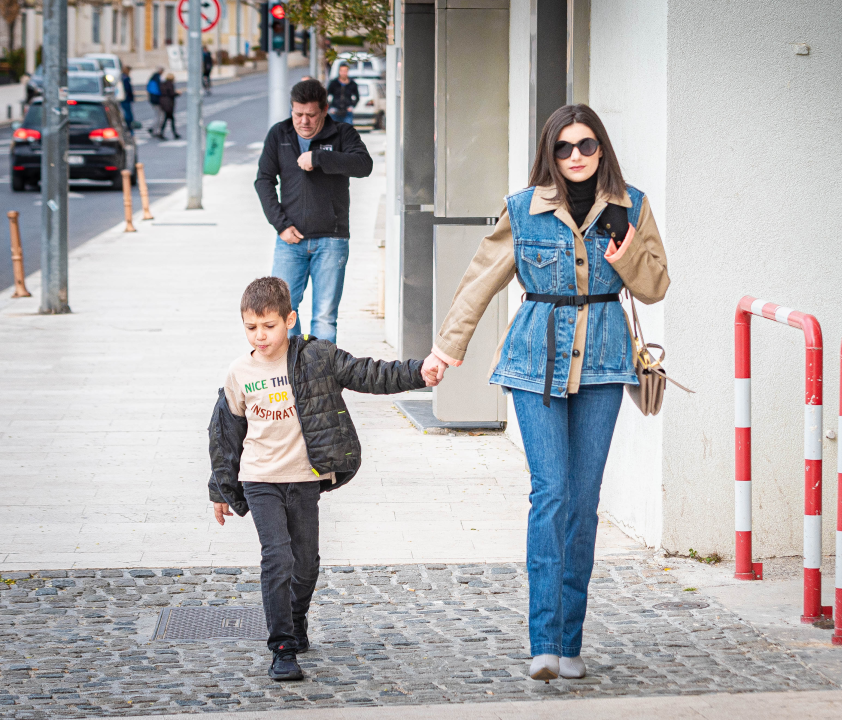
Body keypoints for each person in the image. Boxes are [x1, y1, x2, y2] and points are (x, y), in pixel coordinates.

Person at [420, 104, 670, 681]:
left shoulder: (631, 205)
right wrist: (445, 350)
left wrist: (626, 251)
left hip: (605, 364)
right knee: (551, 493)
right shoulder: (523, 209)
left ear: (601, 148)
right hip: (535, 363)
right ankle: (543, 644)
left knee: (583, 503)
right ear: (549, 153)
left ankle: (570, 641)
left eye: (585, 145)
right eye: (564, 148)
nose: (575, 156)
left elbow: (656, 286)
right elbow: (478, 282)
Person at [209, 276, 429, 681]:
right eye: (251, 327)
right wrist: (221, 488)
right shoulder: (238, 372)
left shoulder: (317, 357)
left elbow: (369, 373)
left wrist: (420, 372)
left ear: (289, 319)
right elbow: (226, 434)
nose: (260, 336)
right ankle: (282, 647)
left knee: (305, 563)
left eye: (269, 326)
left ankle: (295, 618)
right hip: (260, 479)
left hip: (303, 478)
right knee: (278, 557)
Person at [255, 79, 373, 344]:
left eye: (311, 115)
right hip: (290, 241)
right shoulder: (279, 134)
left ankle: (320, 380)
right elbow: (263, 181)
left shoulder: (342, 133)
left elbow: (364, 165)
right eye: (298, 114)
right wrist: (281, 224)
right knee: (282, 314)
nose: (304, 121)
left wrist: (319, 158)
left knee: (324, 317)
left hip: (332, 240)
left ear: (324, 110)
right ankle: (292, 376)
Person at [157, 73, 180, 139]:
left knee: (168, 119)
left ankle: (173, 133)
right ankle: (171, 133)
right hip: (168, 104)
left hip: (163, 103)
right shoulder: (170, 84)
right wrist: (178, 93)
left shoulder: (163, 84)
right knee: (169, 119)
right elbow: (171, 93)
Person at [146, 67, 164, 138]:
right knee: (158, 115)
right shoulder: (157, 79)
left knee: (157, 115)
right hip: (156, 100)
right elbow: (158, 91)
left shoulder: (153, 79)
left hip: (153, 100)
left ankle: (153, 128)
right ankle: (154, 129)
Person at [119, 66, 135, 132]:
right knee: (128, 112)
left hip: (123, 98)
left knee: (127, 112)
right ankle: (128, 125)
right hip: (125, 98)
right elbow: (127, 89)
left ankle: (128, 124)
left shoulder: (122, 77)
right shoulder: (125, 78)